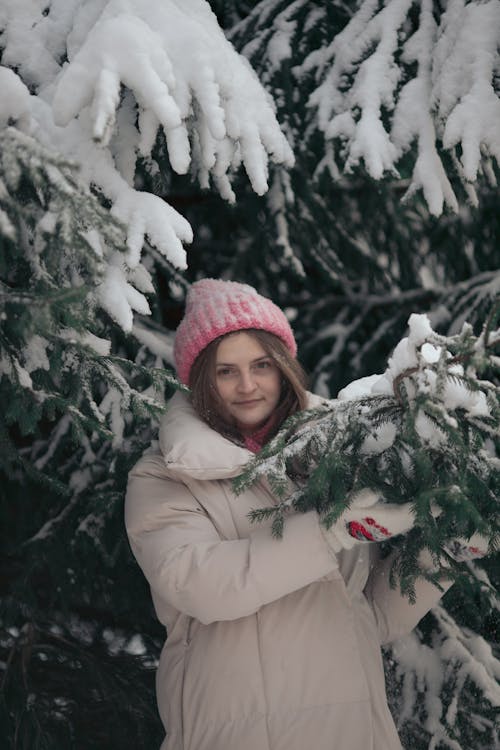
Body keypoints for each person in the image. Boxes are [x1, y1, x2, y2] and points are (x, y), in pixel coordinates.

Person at [125, 278, 483, 750]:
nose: (248, 385)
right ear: (200, 381)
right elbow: (201, 586)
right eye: (226, 371)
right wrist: (328, 534)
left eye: (261, 365)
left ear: (285, 367)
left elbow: (368, 616)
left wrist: (444, 553)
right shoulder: (165, 476)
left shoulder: (338, 452)